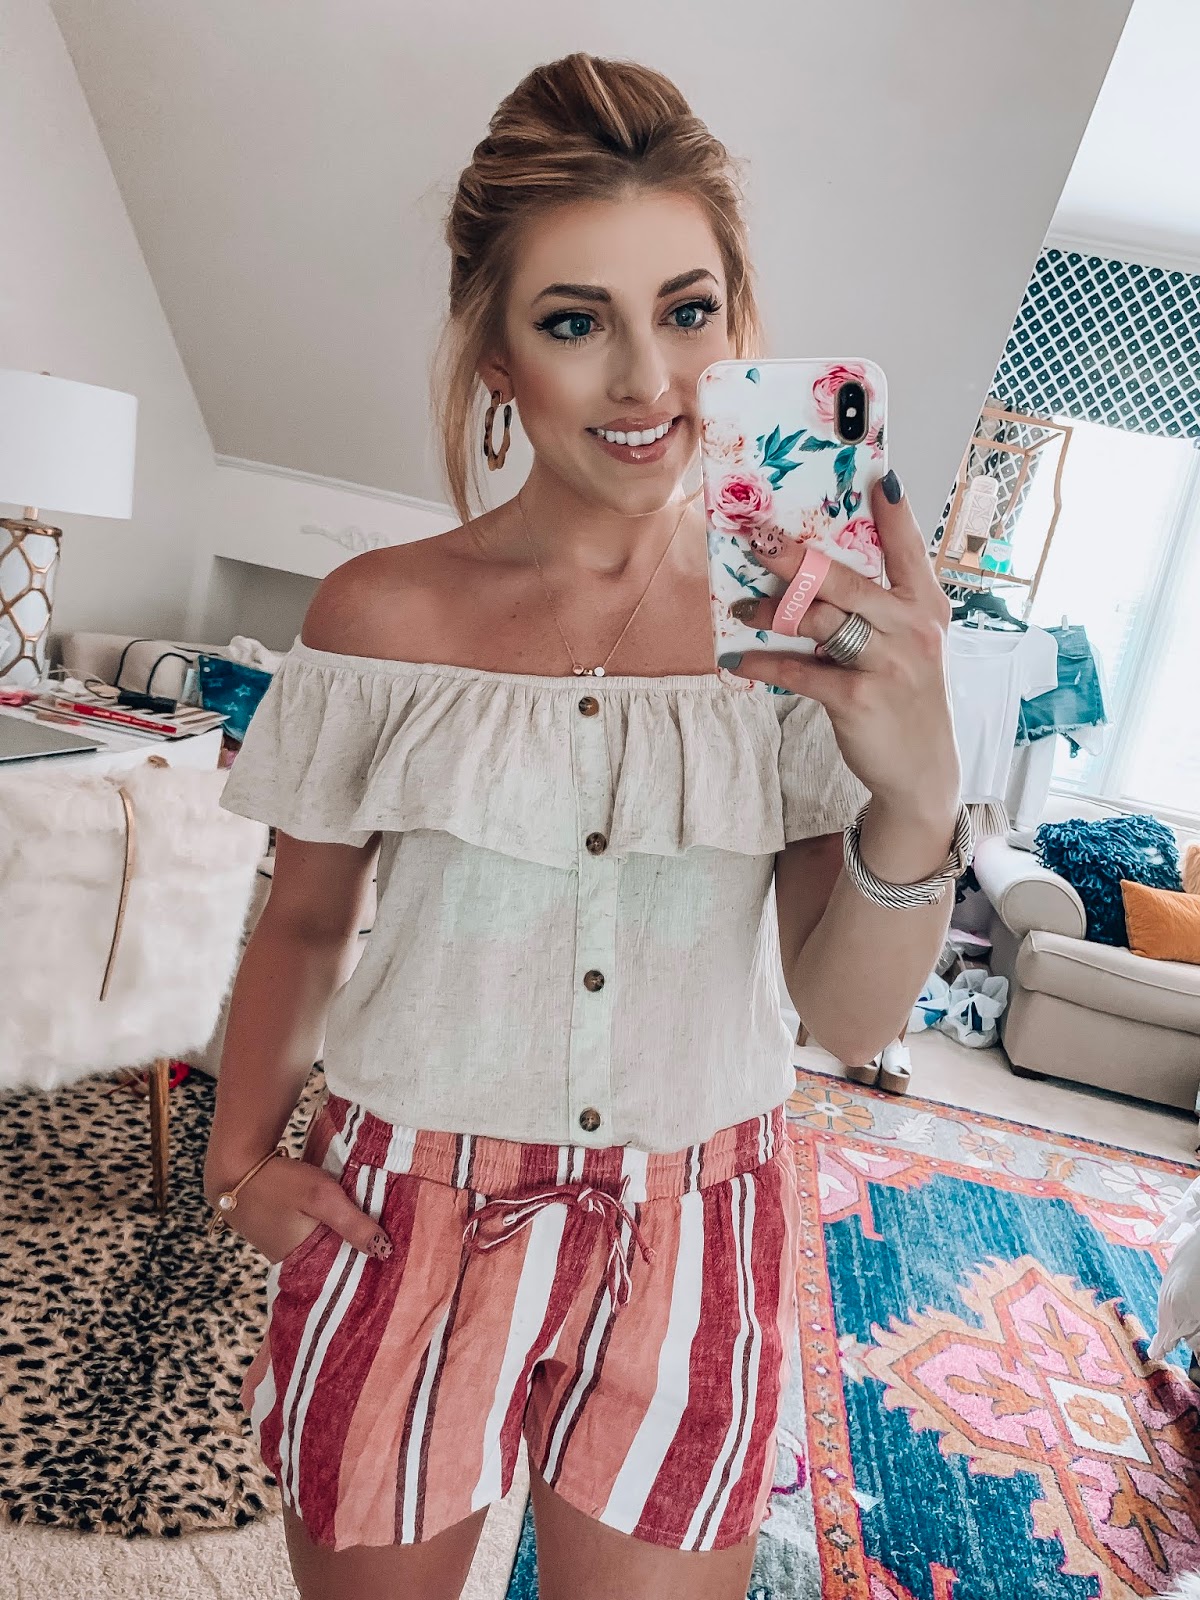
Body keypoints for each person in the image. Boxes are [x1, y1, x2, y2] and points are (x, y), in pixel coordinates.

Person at [203, 51, 965, 1600]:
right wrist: (234, 1166)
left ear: (738, 325)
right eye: (575, 322)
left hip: (699, 1230)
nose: (646, 382)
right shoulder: (380, 617)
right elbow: (305, 917)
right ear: (496, 354)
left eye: (687, 312)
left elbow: (841, 1015)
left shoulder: (798, 626)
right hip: (402, 1221)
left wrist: (919, 788)